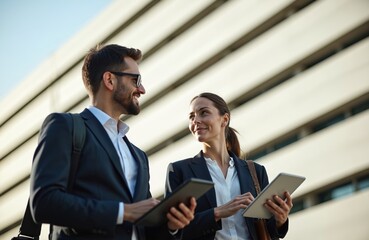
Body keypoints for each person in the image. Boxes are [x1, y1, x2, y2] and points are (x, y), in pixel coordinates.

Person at [29, 44, 196, 240]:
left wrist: (170, 225)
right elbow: (44, 203)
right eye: (136, 80)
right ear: (109, 80)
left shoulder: (138, 156)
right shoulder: (65, 126)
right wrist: (122, 212)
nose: (142, 89)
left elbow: (142, 228)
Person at [165, 92, 292, 240]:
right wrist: (217, 212)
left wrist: (280, 220)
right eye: (192, 116)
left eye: (203, 113)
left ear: (224, 119)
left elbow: (268, 230)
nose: (196, 120)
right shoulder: (179, 170)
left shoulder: (256, 171)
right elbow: (172, 231)